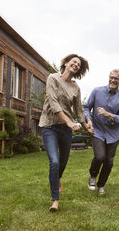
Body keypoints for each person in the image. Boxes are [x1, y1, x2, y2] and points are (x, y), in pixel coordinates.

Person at [39, 54, 94, 211]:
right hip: (49, 126)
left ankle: (57, 179)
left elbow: (78, 110)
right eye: (74, 62)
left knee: (63, 162)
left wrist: (86, 126)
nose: (76, 65)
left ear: (79, 70)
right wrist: (69, 122)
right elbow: (53, 102)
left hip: (65, 130)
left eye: (79, 64)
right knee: (54, 162)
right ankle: (55, 200)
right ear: (66, 62)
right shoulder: (53, 78)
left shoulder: (75, 87)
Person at [84, 69, 119, 195]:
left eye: (116, 78)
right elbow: (87, 107)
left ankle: (101, 185)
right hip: (97, 130)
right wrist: (88, 119)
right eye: (111, 77)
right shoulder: (97, 91)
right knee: (100, 157)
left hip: (113, 134)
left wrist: (108, 114)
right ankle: (92, 176)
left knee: (109, 162)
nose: (113, 80)